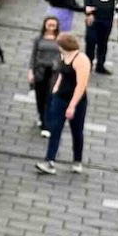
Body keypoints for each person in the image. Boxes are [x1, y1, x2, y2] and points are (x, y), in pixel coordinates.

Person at [36, 33, 92, 174]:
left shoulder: (81, 60)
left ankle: (77, 161)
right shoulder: (63, 56)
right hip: (60, 98)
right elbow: (62, 73)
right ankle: (50, 161)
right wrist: (55, 89)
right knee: (55, 129)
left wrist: (72, 105)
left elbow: (81, 85)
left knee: (77, 131)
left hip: (77, 101)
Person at [28, 16, 62, 133]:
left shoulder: (60, 39)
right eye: (49, 24)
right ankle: (41, 116)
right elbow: (33, 56)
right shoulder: (39, 39)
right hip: (40, 71)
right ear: (45, 25)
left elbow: (62, 56)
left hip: (53, 72)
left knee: (49, 97)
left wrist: (58, 65)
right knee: (40, 97)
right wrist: (30, 71)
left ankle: (45, 125)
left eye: (54, 25)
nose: (51, 27)